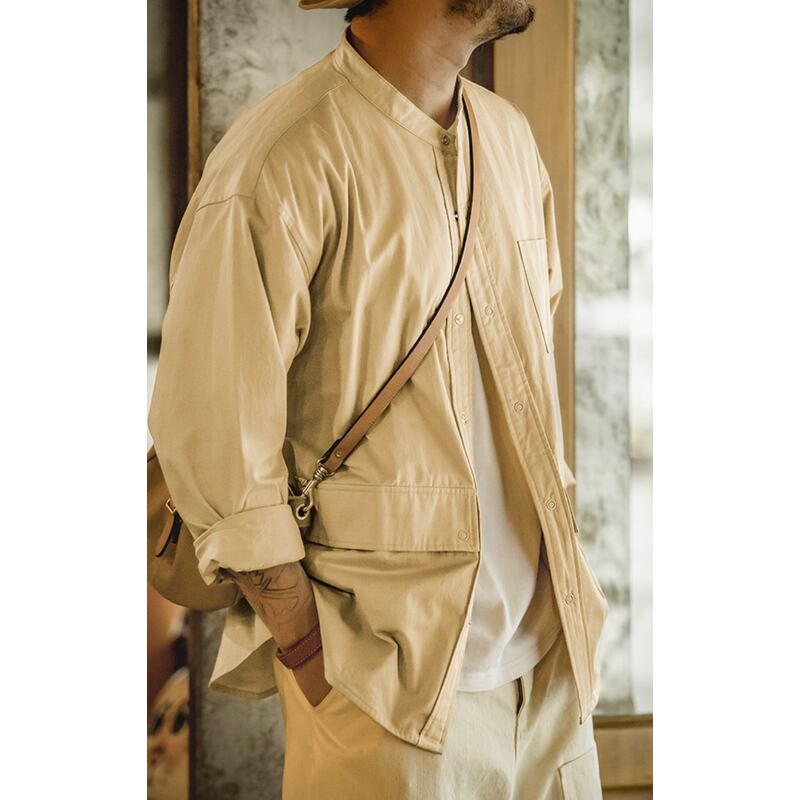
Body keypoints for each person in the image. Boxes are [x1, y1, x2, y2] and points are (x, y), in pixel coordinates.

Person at [148, 1, 609, 797]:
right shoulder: (281, 159)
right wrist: (308, 651)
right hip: (386, 699)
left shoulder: (508, 139)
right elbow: (215, 439)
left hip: (552, 684)